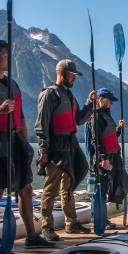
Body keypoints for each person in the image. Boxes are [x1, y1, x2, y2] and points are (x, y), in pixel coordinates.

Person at [0, 39, 55, 252]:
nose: (9, 58)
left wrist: (26, 144)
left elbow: (22, 117)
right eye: (5, 55)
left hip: (16, 141)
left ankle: (31, 236)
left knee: (25, 189)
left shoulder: (13, 85)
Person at [35, 59, 92, 240]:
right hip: (55, 145)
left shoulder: (69, 95)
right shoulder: (49, 95)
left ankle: (71, 223)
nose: (74, 79)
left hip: (70, 143)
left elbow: (79, 120)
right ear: (61, 73)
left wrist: (90, 104)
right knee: (51, 187)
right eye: (72, 75)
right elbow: (41, 126)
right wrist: (44, 151)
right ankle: (47, 226)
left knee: (70, 182)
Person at [87, 87, 128, 227]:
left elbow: (109, 137)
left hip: (113, 156)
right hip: (103, 158)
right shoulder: (96, 116)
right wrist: (103, 157)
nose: (112, 103)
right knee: (101, 188)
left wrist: (119, 130)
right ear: (101, 99)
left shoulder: (106, 115)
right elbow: (97, 139)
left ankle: (103, 218)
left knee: (116, 184)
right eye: (110, 100)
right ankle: (99, 219)